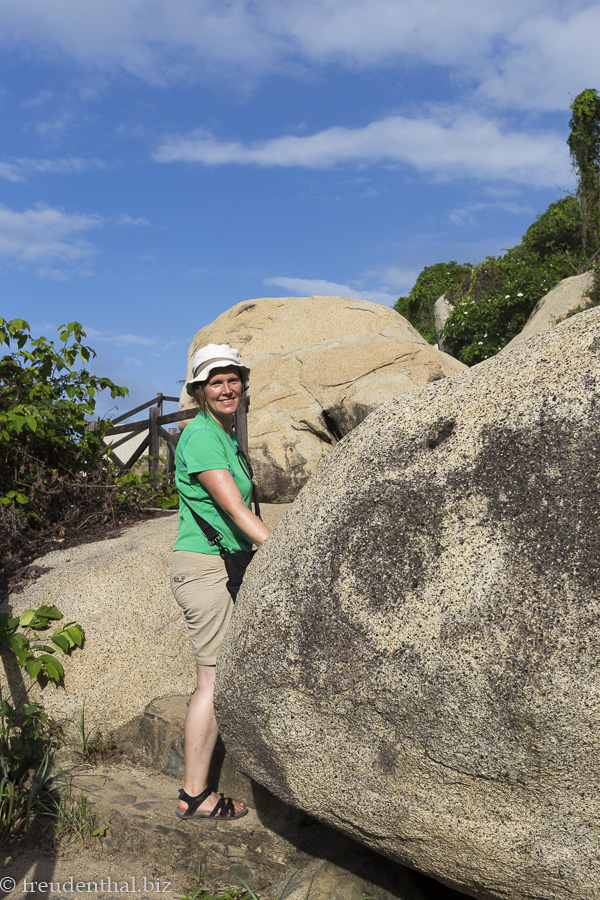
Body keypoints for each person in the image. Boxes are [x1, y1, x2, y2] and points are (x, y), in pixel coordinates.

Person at [170, 343, 270, 820]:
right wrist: (283, 550)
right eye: (216, 381)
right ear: (199, 390)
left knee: (217, 673)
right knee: (210, 678)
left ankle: (197, 788)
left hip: (223, 564)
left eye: (233, 379)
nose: (227, 388)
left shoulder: (223, 434)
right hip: (206, 568)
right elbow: (233, 508)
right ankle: (194, 794)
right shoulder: (204, 437)